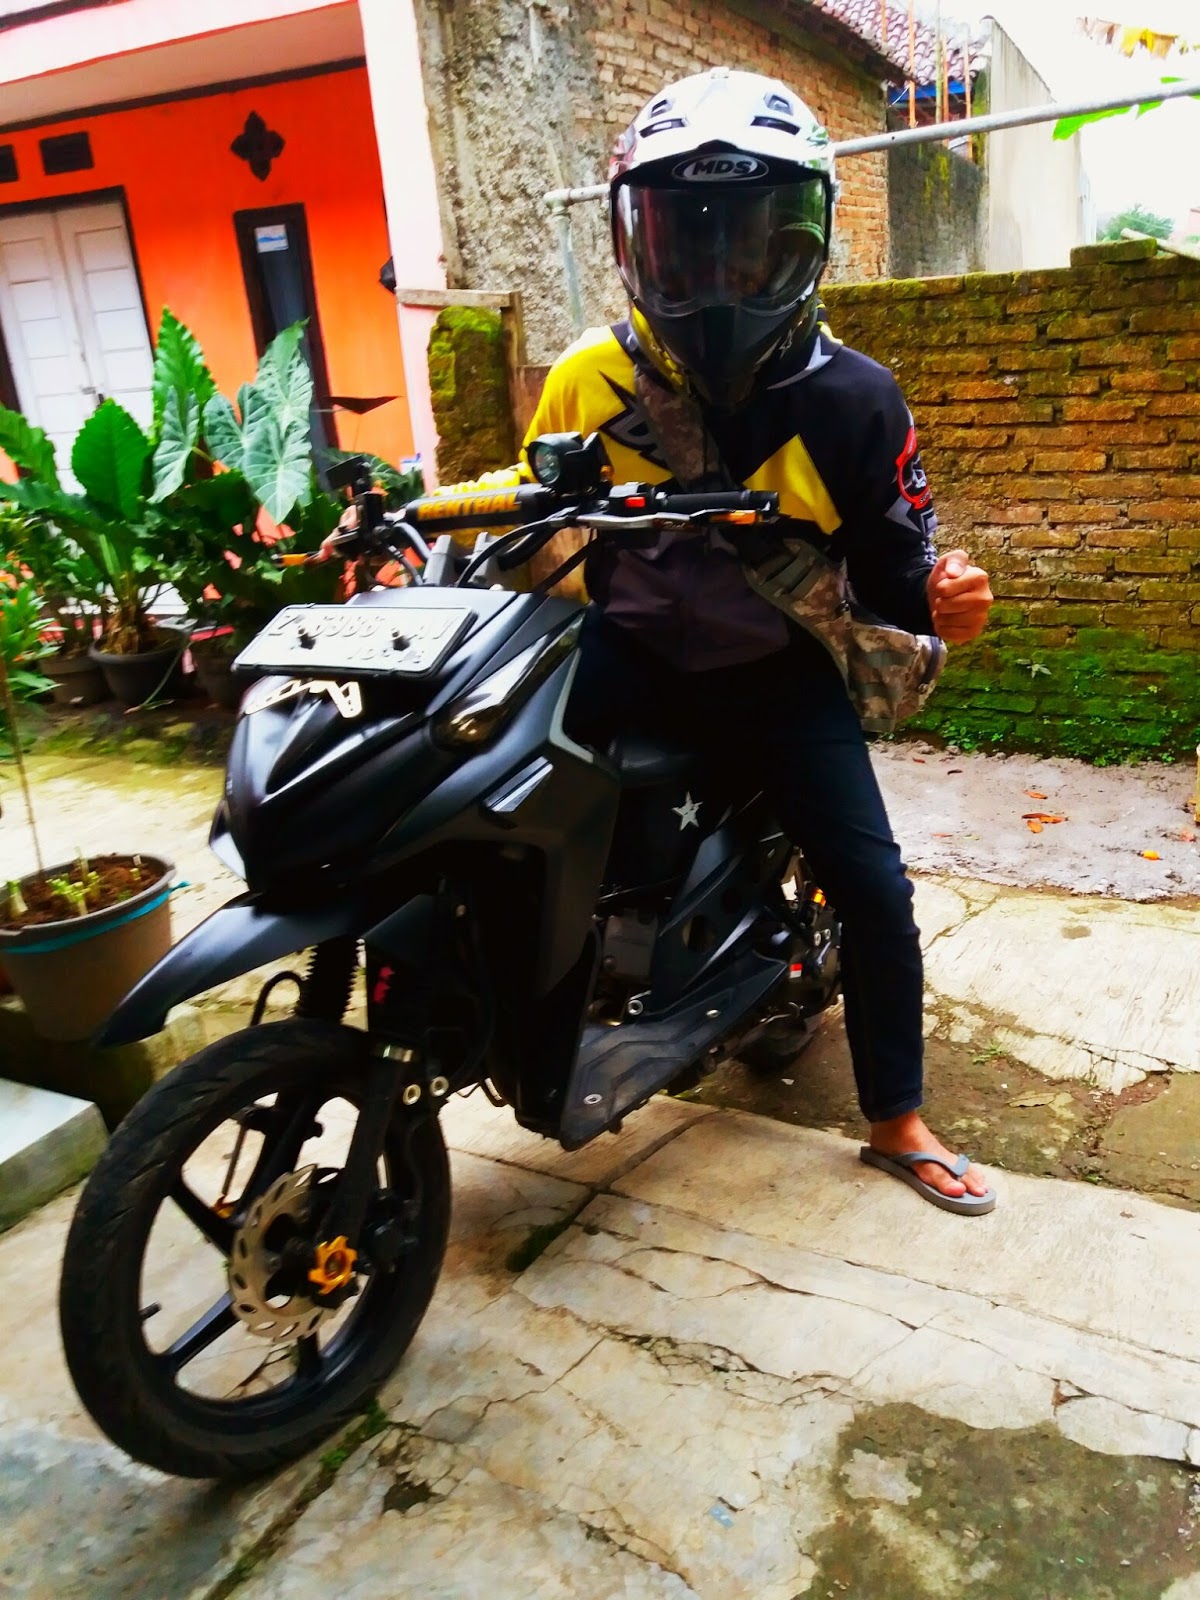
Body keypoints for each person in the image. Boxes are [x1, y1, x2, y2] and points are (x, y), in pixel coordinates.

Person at [339, 68, 998, 1214]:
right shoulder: (590, 377)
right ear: (636, 240)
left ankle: (896, 1117)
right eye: (686, 239)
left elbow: (898, 574)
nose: (716, 271)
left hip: (777, 676)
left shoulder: (855, 400)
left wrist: (947, 599)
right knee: (482, 799)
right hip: (626, 652)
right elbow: (528, 501)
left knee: (875, 890)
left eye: (746, 242)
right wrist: (412, 522)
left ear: (802, 243)